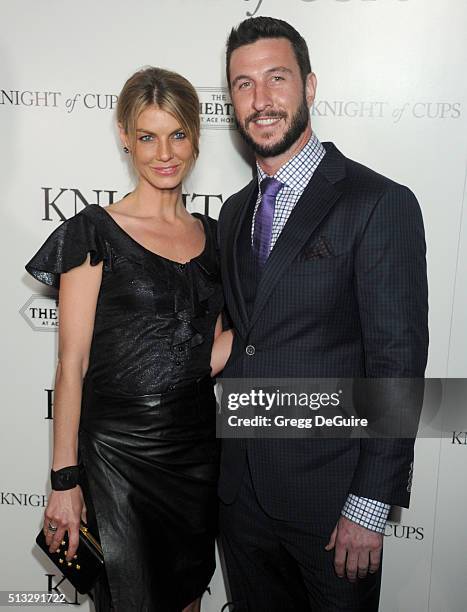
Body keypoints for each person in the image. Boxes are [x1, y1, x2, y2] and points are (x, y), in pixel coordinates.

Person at [217, 17, 428, 611]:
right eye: (243, 84)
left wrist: (369, 505)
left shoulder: (378, 203)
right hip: (241, 500)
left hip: (334, 504)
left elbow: (397, 364)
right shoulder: (234, 213)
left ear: (309, 86)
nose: (260, 100)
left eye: (276, 78)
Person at [26, 66, 231, 612]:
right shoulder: (93, 230)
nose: (163, 152)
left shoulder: (215, 238)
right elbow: (71, 365)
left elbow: (201, 357)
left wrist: (264, 333)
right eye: (147, 136)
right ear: (124, 134)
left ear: (195, 136)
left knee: (186, 598)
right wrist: (64, 482)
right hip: (116, 456)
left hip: (193, 454)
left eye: (177, 134)